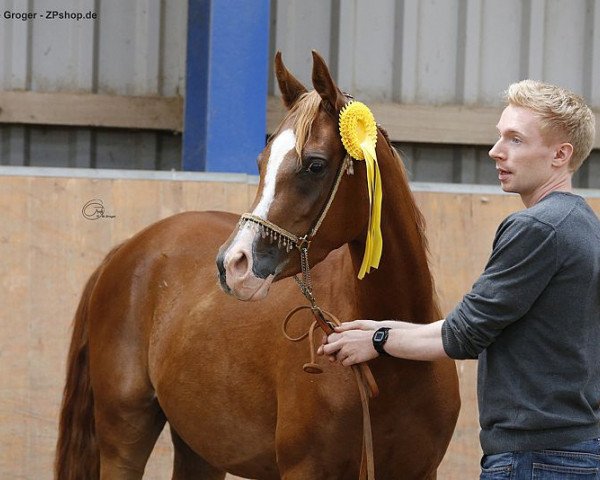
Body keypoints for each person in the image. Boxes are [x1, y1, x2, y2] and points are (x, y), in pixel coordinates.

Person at [319, 79, 600, 478]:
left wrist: (379, 340)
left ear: (560, 154)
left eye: (515, 139)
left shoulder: (538, 228)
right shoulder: (582, 224)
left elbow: (464, 335)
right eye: (500, 136)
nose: (495, 151)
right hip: (569, 453)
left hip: (535, 460)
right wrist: (384, 328)